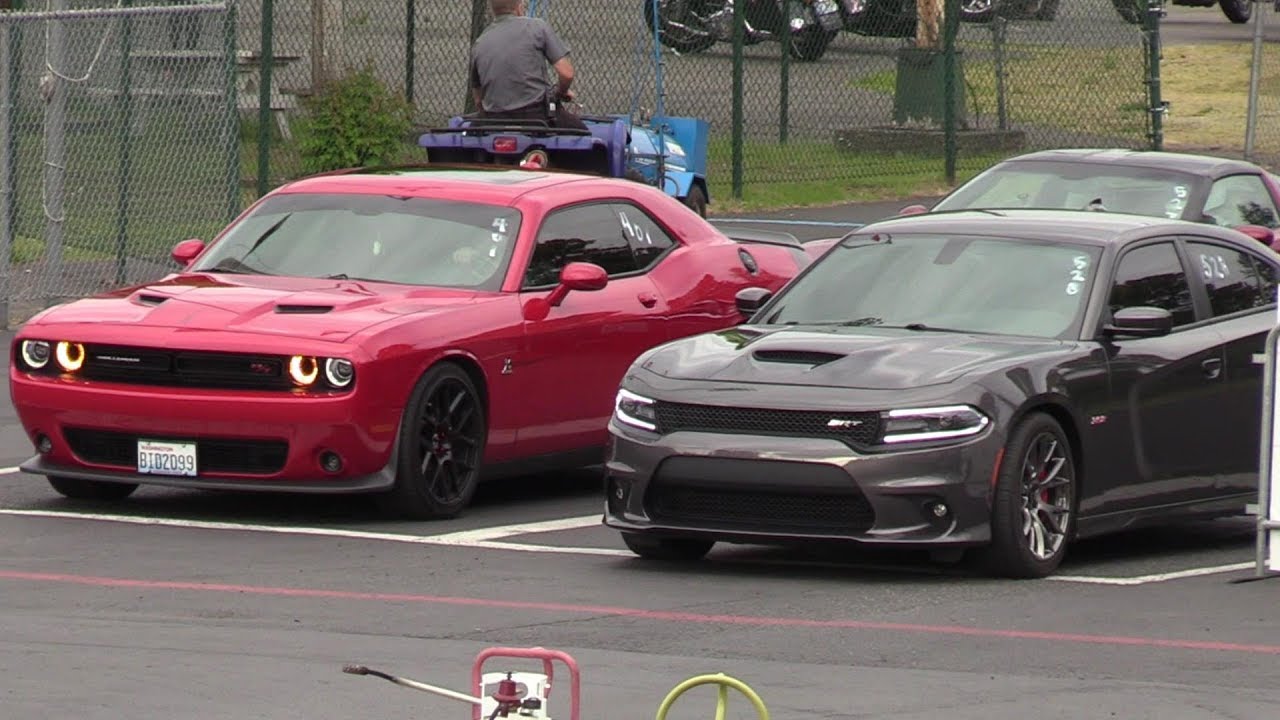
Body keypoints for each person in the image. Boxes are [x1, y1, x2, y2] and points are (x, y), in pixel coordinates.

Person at [468, 0, 587, 131]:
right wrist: (561, 92)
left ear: (492, 10)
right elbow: (566, 74)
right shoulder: (537, 27)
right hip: (536, 116)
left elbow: (478, 100)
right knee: (582, 133)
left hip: (494, 120)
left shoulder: (480, 43)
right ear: (519, 7)